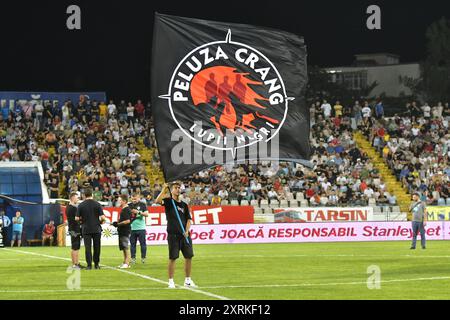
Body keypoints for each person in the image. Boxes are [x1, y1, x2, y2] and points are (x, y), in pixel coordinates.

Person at [155, 182, 196, 289]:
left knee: (189, 256)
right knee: (173, 258)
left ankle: (187, 280)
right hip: (173, 235)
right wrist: (164, 189)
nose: (178, 189)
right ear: (171, 190)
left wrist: (187, 231)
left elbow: (188, 219)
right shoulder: (169, 202)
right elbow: (157, 201)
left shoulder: (184, 205)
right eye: (175, 188)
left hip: (184, 235)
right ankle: (171, 281)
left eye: (179, 188)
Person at [76, 188, 106, 270]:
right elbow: (103, 217)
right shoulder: (97, 204)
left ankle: (89, 265)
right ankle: (96, 264)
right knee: (97, 247)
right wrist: (101, 222)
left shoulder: (81, 205)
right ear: (92, 194)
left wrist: (83, 220)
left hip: (86, 229)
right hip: (96, 228)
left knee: (88, 248)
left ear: (84, 195)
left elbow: (77, 218)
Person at [112, 195, 132, 269]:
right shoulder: (123, 209)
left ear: (124, 201)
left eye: (120, 200)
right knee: (123, 247)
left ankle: (127, 263)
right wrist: (116, 223)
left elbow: (127, 221)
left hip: (125, 231)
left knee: (126, 247)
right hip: (122, 230)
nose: (118, 201)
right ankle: (124, 262)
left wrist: (118, 224)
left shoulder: (126, 210)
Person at [129, 193, 149, 264]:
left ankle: (143, 258)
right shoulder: (129, 205)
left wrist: (138, 212)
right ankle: (133, 259)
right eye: (132, 198)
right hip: (132, 228)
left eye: (135, 198)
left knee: (143, 244)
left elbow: (146, 214)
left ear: (138, 198)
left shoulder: (142, 204)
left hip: (141, 228)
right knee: (132, 244)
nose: (134, 200)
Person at [67, 192, 83, 269]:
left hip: (73, 229)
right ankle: (75, 264)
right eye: (77, 197)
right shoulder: (72, 208)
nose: (78, 199)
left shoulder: (69, 207)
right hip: (74, 229)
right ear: (72, 198)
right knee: (75, 246)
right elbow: (76, 219)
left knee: (76, 246)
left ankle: (76, 263)